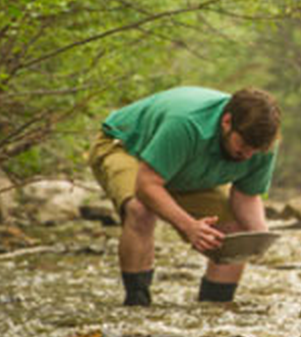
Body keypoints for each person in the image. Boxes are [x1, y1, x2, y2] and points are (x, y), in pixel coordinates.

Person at [88, 86, 281, 306]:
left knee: (237, 232)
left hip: (185, 168)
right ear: (227, 122)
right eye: (243, 146)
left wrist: (258, 236)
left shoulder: (263, 145)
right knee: (141, 210)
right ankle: (137, 304)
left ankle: (214, 310)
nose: (248, 155)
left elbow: (246, 196)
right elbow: (147, 185)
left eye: (255, 151)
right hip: (125, 146)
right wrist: (189, 226)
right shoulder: (186, 124)